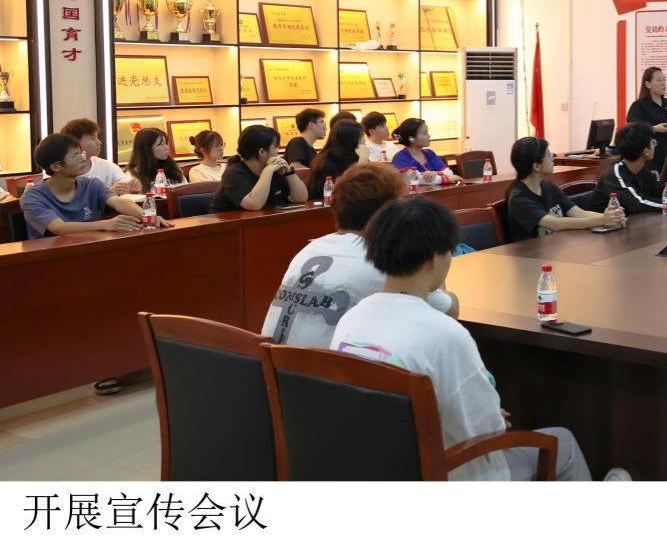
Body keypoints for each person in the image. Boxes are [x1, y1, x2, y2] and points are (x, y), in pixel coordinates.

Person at [331, 196, 623, 481]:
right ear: (434, 258)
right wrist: (494, 415)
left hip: (377, 468)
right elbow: (490, 429)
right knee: (563, 442)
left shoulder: (351, 319)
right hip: (450, 472)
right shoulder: (445, 333)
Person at [262, 164, 458, 348]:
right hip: (329, 370)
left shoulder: (310, 249)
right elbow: (449, 312)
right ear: (390, 215)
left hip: (277, 367)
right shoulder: (381, 260)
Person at [21, 133, 164, 239]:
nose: (83, 158)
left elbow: (118, 202)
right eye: (75, 155)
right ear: (56, 166)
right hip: (51, 256)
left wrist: (148, 216)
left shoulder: (91, 184)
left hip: (89, 248)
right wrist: (106, 224)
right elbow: (59, 227)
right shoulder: (32, 197)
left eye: (81, 153)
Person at [505, 136, 623, 242]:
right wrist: (603, 220)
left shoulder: (548, 187)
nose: (553, 158)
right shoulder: (519, 198)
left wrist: (614, 217)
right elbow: (556, 224)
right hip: (530, 254)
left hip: (555, 247)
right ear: (536, 166)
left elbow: (579, 213)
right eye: (548, 155)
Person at [210, 125, 309, 212]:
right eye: (275, 147)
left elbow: (301, 198)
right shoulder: (234, 173)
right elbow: (254, 204)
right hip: (228, 225)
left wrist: (289, 172)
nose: (278, 151)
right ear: (262, 152)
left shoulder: (275, 170)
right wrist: (268, 171)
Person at [588, 123, 663, 215]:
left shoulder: (643, 170)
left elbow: (660, 193)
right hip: (604, 223)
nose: (655, 146)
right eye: (653, 142)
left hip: (632, 221)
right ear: (646, 151)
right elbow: (638, 204)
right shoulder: (614, 174)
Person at [59, 118, 140, 194]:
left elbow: (127, 186)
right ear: (75, 142)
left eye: (97, 138)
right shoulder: (63, 172)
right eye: (92, 138)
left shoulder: (106, 166)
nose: (99, 143)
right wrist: (106, 193)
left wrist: (134, 187)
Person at [625, 66, 667, 173]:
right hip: (650, 155)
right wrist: (654, 129)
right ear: (648, 84)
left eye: (664, 80)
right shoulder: (639, 105)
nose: (663, 83)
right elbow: (633, 131)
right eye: (659, 80)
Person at [307, 121, 367, 198]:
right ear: (350, 141)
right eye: (361, 137)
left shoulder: (352, 156)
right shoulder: (327, 163)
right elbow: (350, 190)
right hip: (328, 203)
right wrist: (363, 160)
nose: (364, 140)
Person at [390, 118, 456, 184]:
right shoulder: (400, 157)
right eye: (425, 133)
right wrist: (445, 179)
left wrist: (436, 173)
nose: (429, 136)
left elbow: (449, 172)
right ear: (411, 138)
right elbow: (416, 179)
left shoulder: (429, 153)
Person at [123, 128, 186, 193]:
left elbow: (186, 190)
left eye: (166, 143)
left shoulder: (173, 168)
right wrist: (133, 191)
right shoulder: (132, 175)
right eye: (161, 144)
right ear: (147, 149)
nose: (166, 148)